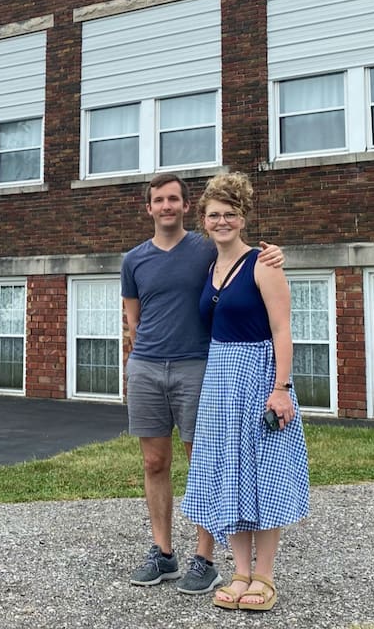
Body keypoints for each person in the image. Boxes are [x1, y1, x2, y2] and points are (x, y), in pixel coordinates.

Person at [121, 172, 283, 593]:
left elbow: (243, 252)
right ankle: (163, 554)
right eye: (159, 200)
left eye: (174, 199)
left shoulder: (205, 248)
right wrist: (145, 357)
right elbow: (133, 320)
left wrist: (277, 254)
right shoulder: (133, 260)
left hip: (199, 368)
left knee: (206, 463)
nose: (167, 206)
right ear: (149, 208)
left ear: (186, 207)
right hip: (147, 368)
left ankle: (204, 558)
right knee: (154, 463)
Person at [181, 172, 310, 612]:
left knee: (265, 472)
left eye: (230, 214)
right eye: (214, 214)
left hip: (259, 375)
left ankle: (266, 576)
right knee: (229, 473)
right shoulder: (208, 266)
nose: (222, 221)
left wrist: (282, 388)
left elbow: (282, 330)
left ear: (243, 217)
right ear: (203, 219)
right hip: (219, 379)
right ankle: (239, 572)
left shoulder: (263, 264)